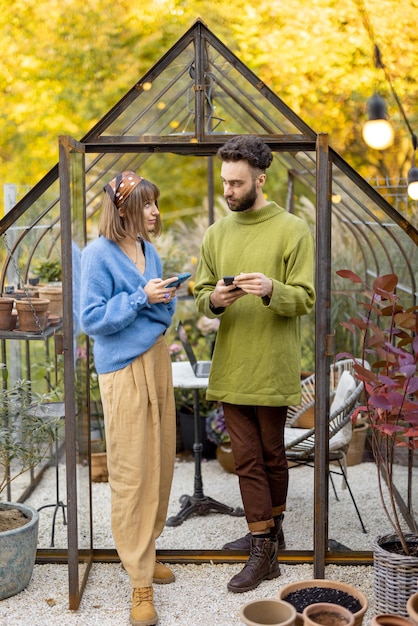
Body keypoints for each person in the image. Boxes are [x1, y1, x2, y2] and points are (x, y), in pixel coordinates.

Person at [194, 136, 315, 593]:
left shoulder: (292, 230)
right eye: (225, 181)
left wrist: (269, 288)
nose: (228, 190)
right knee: (246, 459)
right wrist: (217, 299)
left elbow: (304, 298)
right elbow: (202, 294)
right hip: (232, 364)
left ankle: (268, 536)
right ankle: (263, 548)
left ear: (260, 180)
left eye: (236, 182)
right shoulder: (216, 234)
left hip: (273, 363)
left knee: (272, 457)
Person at [80, 171, 179, 626]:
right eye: (147, 204)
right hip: (123, 370)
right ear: (123, 209)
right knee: (131, 471)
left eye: (155, 204)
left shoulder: (149, 251)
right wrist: (141, 298)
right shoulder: (99, 254)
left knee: (160, 462)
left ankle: (147, 549)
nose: (155, 212)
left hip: (157, 360)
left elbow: (160, 309)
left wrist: (162, 297)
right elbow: (92, 319)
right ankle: (138, 581)